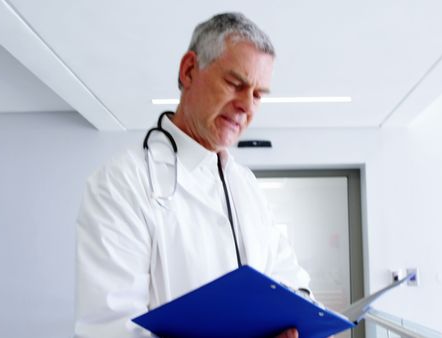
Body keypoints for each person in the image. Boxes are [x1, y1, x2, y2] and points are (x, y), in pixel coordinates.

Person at [73, 13, 310, 338]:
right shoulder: (122, 183)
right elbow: (111, 330)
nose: (246, 106)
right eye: (235, 84)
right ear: (188, 71)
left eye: (257, 94)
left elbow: (290, 279)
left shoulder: (247, 185)